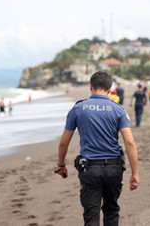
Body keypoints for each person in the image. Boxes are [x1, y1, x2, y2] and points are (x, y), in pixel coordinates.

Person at [54, 71, 139, 226]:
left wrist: (61, 164)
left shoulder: (78, 109)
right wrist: (135, 173)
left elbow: (63, 143)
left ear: (90, 86)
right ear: (109, 88)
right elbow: (130, 142)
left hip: (90, 169)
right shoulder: (118, 109)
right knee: (111, 209)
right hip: (114, 168)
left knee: (91, 214)